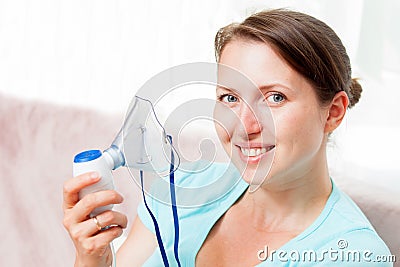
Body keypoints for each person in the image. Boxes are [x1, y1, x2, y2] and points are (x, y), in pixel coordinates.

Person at [62, 9, 392, 266]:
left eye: (275, 97)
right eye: (230, 98)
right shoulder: (185, 189)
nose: (244, 125)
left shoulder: (351, 254)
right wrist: (93, 261)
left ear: (333, 112)